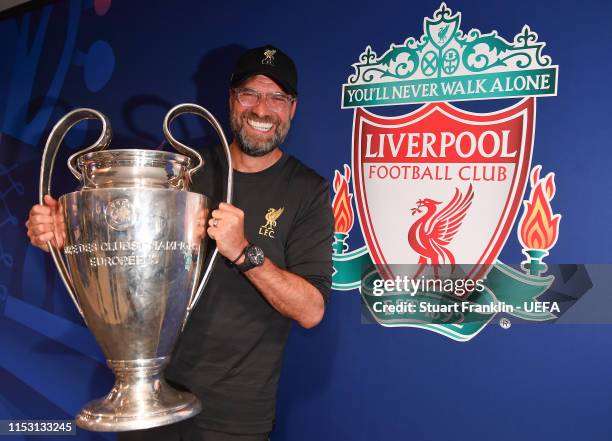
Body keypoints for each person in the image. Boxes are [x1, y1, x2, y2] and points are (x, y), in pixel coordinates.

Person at [25, 45, 334, 440]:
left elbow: (311, 310)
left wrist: (243, 251)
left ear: (292, 108)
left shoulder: (308, 190)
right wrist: (63, 235)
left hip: (236, 415)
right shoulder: (183, 175)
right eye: (250, 94)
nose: (262, 109)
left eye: (276, 97)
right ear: (231, 100)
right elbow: (124, 251)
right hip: (148, 400)